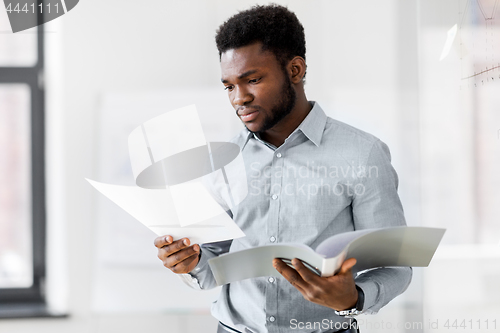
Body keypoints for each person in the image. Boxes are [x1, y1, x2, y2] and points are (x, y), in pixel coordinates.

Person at [154, 4, 412, 333]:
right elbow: (212, 266)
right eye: (229, 86)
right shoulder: (224, 159)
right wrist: (189, 263)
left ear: (295, 70)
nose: (239, 98)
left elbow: (395, 267)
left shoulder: (362, 154)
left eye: (252, 80)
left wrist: (354, 297)